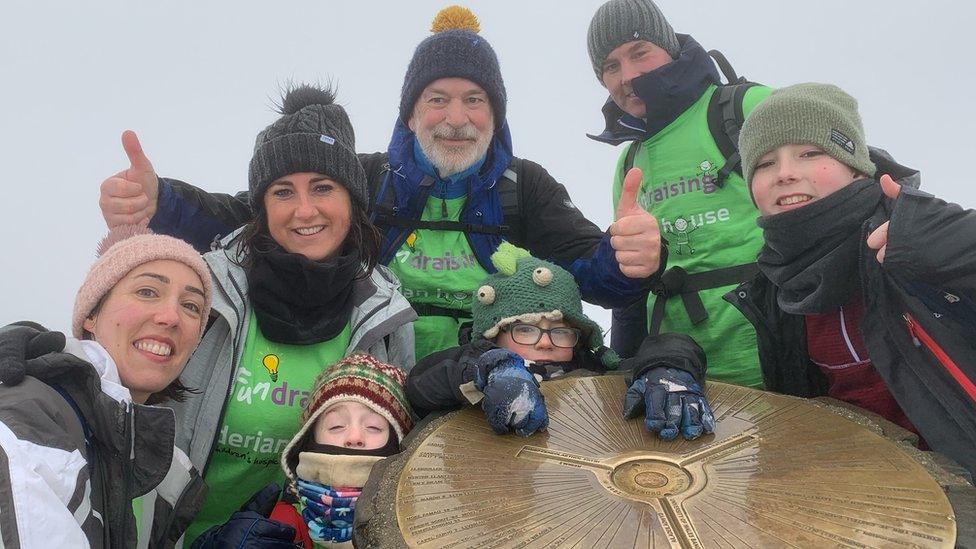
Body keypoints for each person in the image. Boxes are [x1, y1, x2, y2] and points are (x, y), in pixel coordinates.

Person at [97, 6, 664, 362]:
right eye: (436, 99)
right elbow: (255, 218)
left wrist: (627, 258)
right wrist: (161, 202)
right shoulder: (365, 177)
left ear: (496, 113)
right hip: (374, 390)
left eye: (475, 100)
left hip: (494, 387)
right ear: (410, 114)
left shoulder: (526, 187)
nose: (455, 118)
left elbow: (588, 276)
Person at [144, 84, 416, 544]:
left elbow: (404, 461)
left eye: (323, 187)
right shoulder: (204, 295)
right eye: (283, 191)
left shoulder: (385, 317)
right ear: (260, 209)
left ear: (353, 202)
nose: (304, 209)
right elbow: (115, 380)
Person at [727, 82, 976, 474]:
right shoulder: (772, 285)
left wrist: (950, 243)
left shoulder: (915, 236)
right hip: (860, 490)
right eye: (764, 163)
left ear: (857, 167)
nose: (786, 174)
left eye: (810, 153)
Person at [586, 0, 772, 388]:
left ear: (670, 49)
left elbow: (850, 173)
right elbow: (632, 290)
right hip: (678, 380)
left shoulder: (744, 109)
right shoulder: (629, 160)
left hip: (776, 367)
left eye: (640, 53)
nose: (628, 76)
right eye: (611, 66)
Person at [0, 225, 213, 548]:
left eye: (191, 306)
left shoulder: (160, 464)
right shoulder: (29, 421)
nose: (171, 316)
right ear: (91, 314)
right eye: (147, 292)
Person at [407, 242, 714, 441]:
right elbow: (422, 384)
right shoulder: (469, 368)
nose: (544, 342)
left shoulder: (594, 372)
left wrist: (666, 367)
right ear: (493, 335)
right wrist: (490, 370)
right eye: (525, 329)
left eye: (560, 330)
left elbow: (667, 348)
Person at [193, 354, 413, 548]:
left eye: (373, 427)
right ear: (308, 439)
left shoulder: (423, 524)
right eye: (336, 425)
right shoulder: (277, 526)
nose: (354, 437)